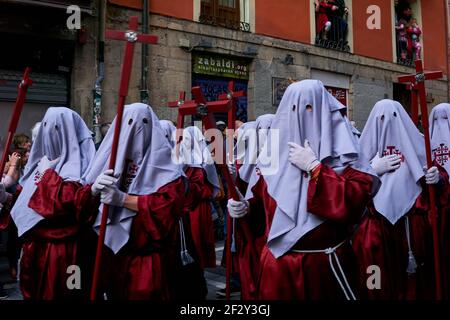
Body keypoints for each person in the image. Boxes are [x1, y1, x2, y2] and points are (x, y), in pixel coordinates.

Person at [228, 80, 379, 300]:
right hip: (278, 271)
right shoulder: (274, 160)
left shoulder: (347, 157)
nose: (301, 117)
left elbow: (355, 204)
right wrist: (246, 208)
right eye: (294, 109)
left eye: (310, 109)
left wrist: (316, 169)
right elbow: (263, 205)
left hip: (322, 269)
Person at [84, 103, 185, 300]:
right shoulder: (109, 162)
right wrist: (93, 191)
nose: (137, 130)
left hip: (150, 260)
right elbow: (82, 208)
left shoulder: (169, 171)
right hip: (113, 258)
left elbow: (167, 208)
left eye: (145, 123)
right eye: (130, 123)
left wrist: (123, 199)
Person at [352, 99, 449, 300]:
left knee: (413, 281)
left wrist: (437, 179)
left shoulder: (420, 146)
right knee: (375, 279)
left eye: (393, 117)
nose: (387, 123)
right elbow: (348, 187)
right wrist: (372, 171)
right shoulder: (361, 154)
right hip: (375, 230)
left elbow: (439, 181)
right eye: (381, 119)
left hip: (411, 230)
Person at [10, 107, 97, 300]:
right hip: (36, 251)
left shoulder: (82, 168)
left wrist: (49, 176)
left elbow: (60, 207)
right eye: (46, 126)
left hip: (67, 254)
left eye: (56, 128)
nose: (50, 133)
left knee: (69, 294)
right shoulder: (40, 164)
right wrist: (6, 196)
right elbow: (25, 201)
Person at [429, 103, 450, 297]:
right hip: (438, 214)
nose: (439, 124)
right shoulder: (425, 148)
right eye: (435, 119)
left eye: (444, 119)